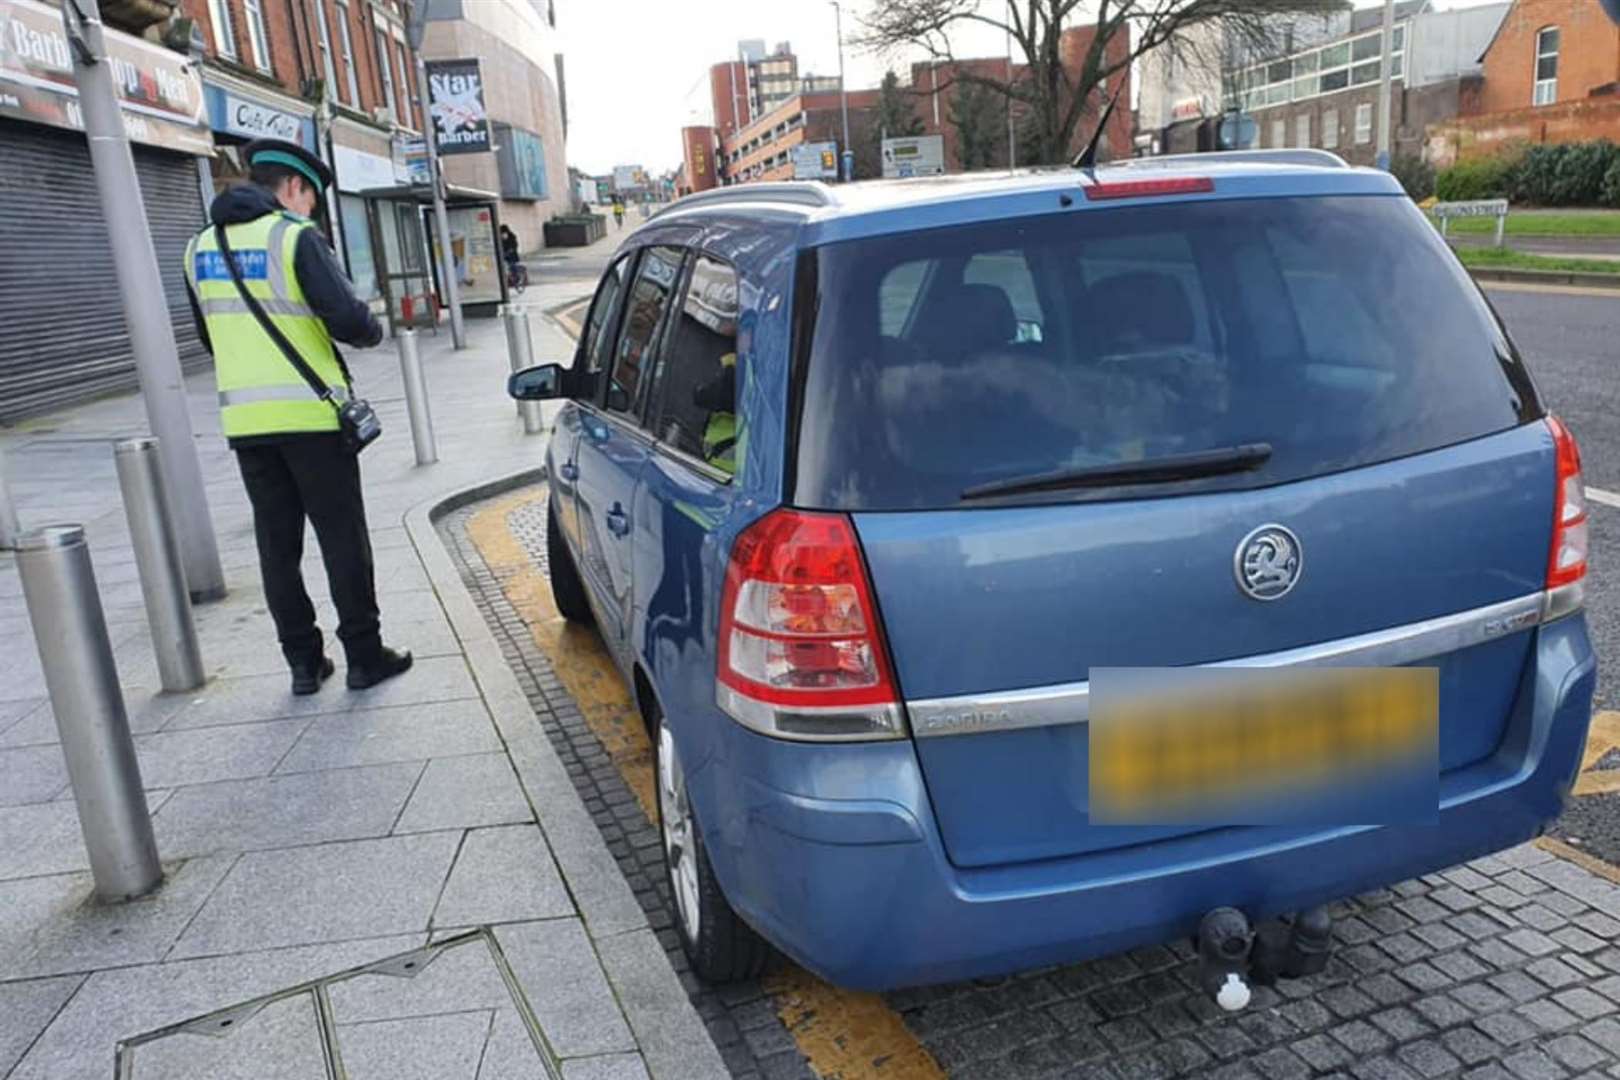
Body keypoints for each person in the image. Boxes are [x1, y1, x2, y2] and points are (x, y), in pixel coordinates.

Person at [183, 138, 412, 695]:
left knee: (277, 547)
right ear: (295, 188)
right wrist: (372, 327)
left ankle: (304, 665)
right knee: (342, 540)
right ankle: (363, 656)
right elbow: (349, 320)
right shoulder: (292, 237)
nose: (309, 209)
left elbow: (208, 338)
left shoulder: (198, 248)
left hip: (247, 426)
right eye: (310, 198)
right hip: (311, 420)